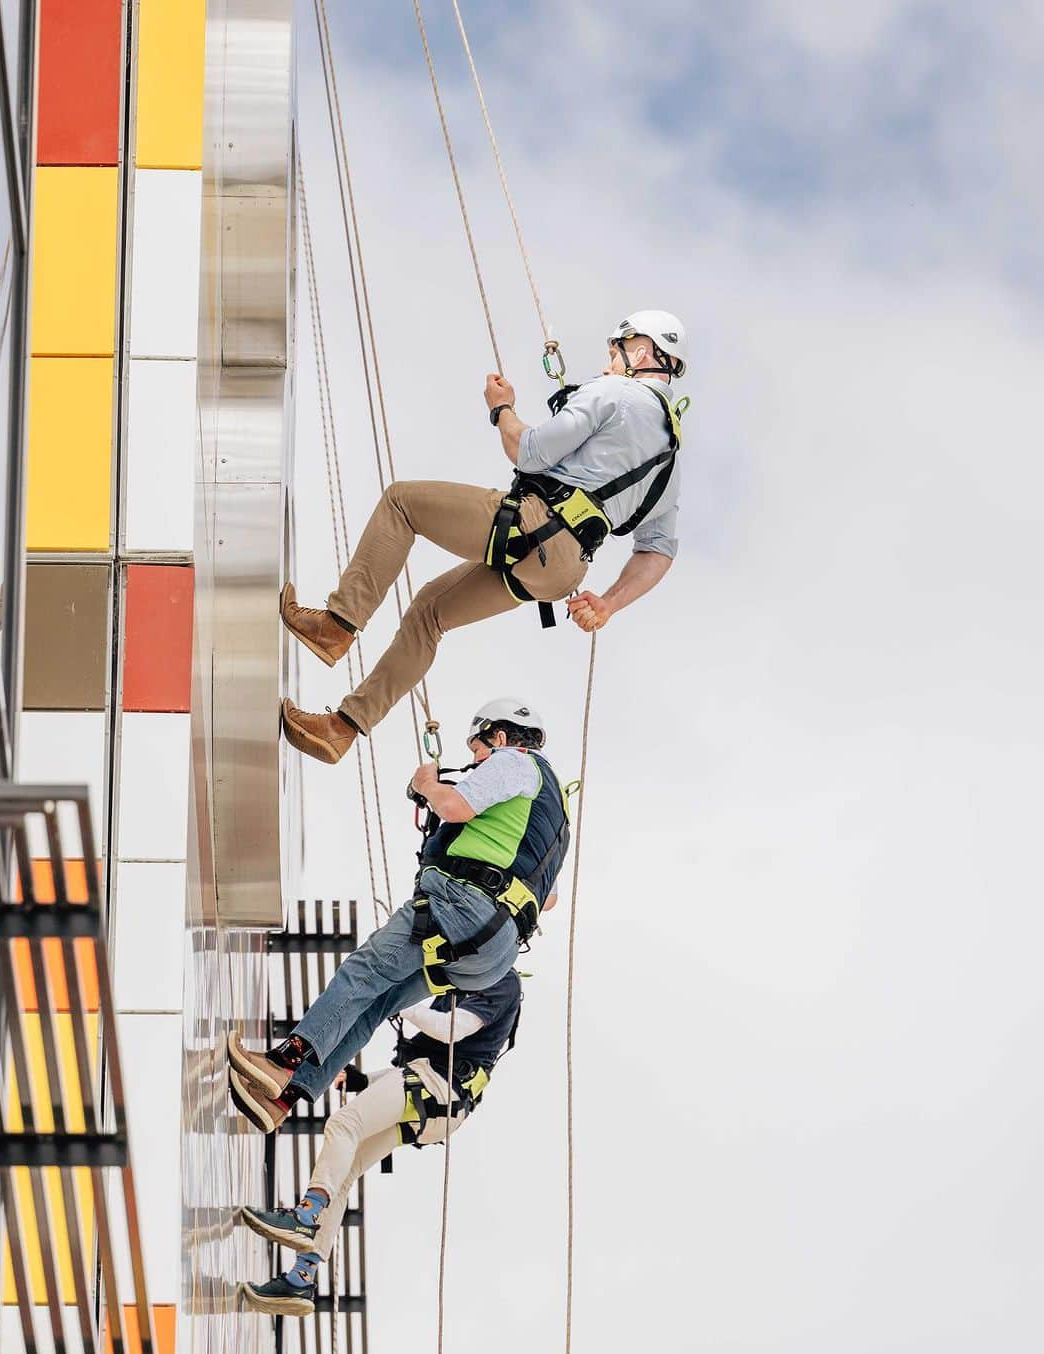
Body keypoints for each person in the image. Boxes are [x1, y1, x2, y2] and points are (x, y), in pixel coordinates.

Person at [280, 310, 688, 763]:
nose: (609, 361)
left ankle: (337, 625)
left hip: (536, 524)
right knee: (428, 614)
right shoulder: (669, 454)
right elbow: (658, 551)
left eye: (615, 352)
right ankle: (341, 729)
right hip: (562, 571)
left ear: (642, 351)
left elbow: (528, 452)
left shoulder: (616, 392)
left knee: (401, 503)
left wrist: (502, 408)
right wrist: (608, 604)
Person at [226, 699, 566, 1129]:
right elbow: (548, 898)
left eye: (477, 749)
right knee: (375, 1003)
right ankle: (285, 1098)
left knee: (365, 972)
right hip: (492, 952)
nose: (476, 761)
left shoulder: (514, 762)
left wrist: (428, 785)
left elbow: (455, 807)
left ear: (499, 737)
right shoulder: (554, 813)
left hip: (459, 908)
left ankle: (283, 1061)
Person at [238, 970, 523, 1316]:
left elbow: (452, 1031)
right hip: (437, 1101)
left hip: (434, 1088)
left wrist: (400, 999)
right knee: (343, 1175)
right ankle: (302, 1278)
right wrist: (364, 1080)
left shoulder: (502, 980)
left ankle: (307, 1214)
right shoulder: (462, 981)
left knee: (343, 1126)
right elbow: (433, 1059)